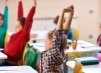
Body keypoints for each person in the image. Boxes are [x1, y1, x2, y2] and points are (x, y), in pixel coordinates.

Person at [0, 0, 37, 66]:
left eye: (18, 26)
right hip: (6, 60)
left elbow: (28, 21)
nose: (15, 28)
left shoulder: (24, 35)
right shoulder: (14, 35)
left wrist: (33, 7)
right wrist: (20, 2)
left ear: (23, 28)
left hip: (11, 64)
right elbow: (20, 16)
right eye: (15, 26)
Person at [41, 5, 74, 73]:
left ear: (52, 43)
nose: (45, 43)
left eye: (46, 41)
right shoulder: (59, 53)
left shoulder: (52, 55)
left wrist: (62, 12)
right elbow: (64, 32)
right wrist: (71, 13)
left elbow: (58, 34)